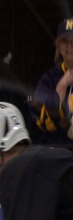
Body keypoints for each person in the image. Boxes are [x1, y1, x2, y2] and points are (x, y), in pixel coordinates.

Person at [29, 18, 73, 147]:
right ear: (58, 45)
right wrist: (62, 86)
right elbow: (41, 122)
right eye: (65, 41)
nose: (69, 46)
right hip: (58, 150)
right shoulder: (49, 78)